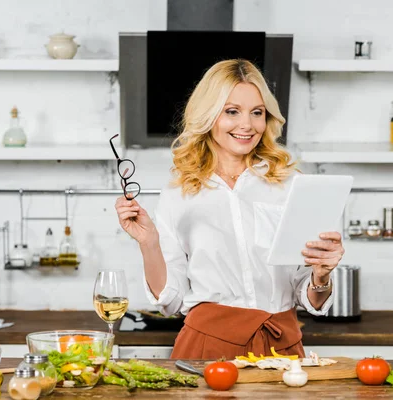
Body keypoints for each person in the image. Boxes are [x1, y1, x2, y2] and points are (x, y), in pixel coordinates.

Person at [115, 59, 344, 360]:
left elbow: (309, 295)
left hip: (282, 349)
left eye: (257, 113)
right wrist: (149, 243)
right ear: (209, 116)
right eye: (231, 111)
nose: (247, 125)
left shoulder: (292, 186)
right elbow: (171, 301)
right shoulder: (178, 194)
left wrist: (322, 275)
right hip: (207, 349)